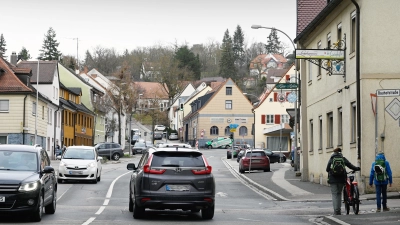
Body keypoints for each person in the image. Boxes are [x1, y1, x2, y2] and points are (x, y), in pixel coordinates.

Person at [326, 147, 360, 215]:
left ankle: (336, 211)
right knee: (339, 194)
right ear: (340, 152)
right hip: (341, 179)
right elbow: (350, 165)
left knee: (334, 194)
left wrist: (331, 170)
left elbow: (327, 169)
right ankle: (339, 210)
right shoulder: (342, 158)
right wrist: (357, 168)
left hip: (333, 179)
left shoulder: (332, 158)